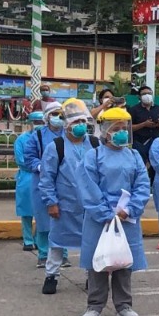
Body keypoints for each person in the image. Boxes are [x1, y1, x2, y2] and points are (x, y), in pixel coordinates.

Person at [77, 106, 151, 316]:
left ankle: (124, 305)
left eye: (124, 128)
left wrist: (128, 210)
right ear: (106, 131)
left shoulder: (134, 155)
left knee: (123, 262)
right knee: (98, 260)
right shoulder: (94, 155)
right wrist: (105, 212)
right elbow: (87, 186)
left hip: (126, 217)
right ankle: (95, 305)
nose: (123, 132)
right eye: (117, 128)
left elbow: (142, 184)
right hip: (100, 218)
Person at [37, 100, 99, 295]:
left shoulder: (95, 143)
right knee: (57, 241)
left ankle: (92, 277)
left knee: (92, 242)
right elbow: (47, 177)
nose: (80, 126)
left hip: (90, 205)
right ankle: (51, 276)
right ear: (66, 125)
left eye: (83, 121)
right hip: (64, 204)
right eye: (75, 122)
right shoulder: (56, 146)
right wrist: (51, 202)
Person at [24, 101, 68, 269]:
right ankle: (43, 254)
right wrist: (40, 166)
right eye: (54, 114)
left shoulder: (68, 134)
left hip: (64, 182)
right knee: (43, 219)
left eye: (60, 114)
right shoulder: (38, 136)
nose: (58, 118)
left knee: (63, 217)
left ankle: (63, 255)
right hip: (42, 181)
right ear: (47, 117)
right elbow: (29, 157)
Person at [14, 111, 45, 253]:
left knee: (42, 210)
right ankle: (27, 239)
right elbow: (21, 160)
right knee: (26, 211)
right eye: (36, 122)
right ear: (30, 123)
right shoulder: (21, 140)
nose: (39, 125)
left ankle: (39, 239)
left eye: (41, 122)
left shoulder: (46, 138)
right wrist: (37, 165)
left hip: (43, 177)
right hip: (26, 177)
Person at [129, 85, 159, 182]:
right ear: (139, 97)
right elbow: (128, 127)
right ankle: (139, 184)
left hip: (156, 141)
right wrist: (144, 124)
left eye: (149, 93)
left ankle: (153, 185)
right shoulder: (133, 110)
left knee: (156, 165)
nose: (147, 95)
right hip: (139, 142)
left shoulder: (158, 109)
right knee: (139, 166)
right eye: (144, 94)